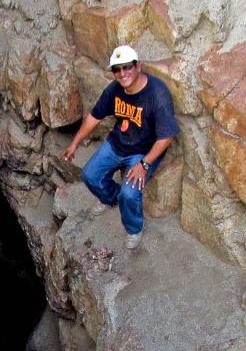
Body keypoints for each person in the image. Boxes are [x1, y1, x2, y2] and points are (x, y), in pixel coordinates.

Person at [61, 45, 180, 249]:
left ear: (138, 66)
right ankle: (110, 198)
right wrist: (74, 144)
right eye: (117, 69)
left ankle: (134, 228)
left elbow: (166, 137)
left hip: (143, 151)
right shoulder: (115, 89)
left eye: (127, 67)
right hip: (119, 141)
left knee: (129, 193)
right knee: (89, 175)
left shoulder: (157, 94)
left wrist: (144, 164)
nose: (122, 74)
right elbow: (94, 117)